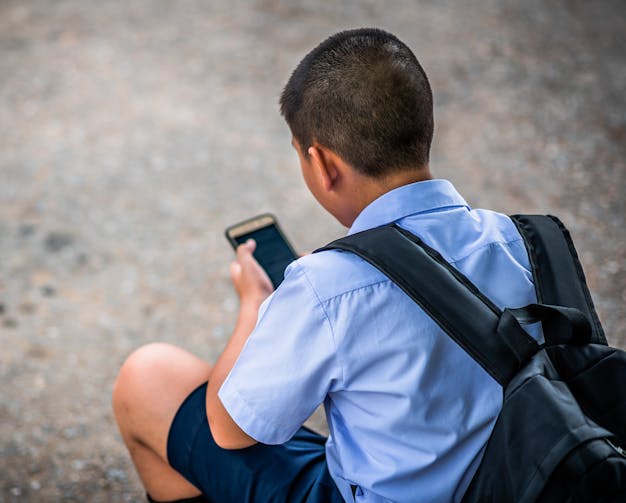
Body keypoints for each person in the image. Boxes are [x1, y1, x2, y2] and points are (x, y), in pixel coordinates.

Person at [112, 28, 540, 502]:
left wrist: (257, 306)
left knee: (147, 378)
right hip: (522, 482)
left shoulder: (327, 287)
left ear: (322, 165)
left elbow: (230, 429)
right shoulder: (521, 241)